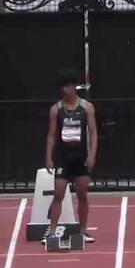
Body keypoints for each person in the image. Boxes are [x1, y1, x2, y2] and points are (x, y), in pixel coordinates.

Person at [45, 70, 98, 243]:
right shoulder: (56, 109)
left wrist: (92, 155)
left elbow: (93, 133)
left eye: (68, 86)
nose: (65, 90)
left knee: (82, 194)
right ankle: (52, 231)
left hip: (80, 156)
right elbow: (51, 135)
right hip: (63, 157)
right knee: (59, 193)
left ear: (74, 87)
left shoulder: (87, 107)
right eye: (63, 87)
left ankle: (82, 230)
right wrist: (48, 157)